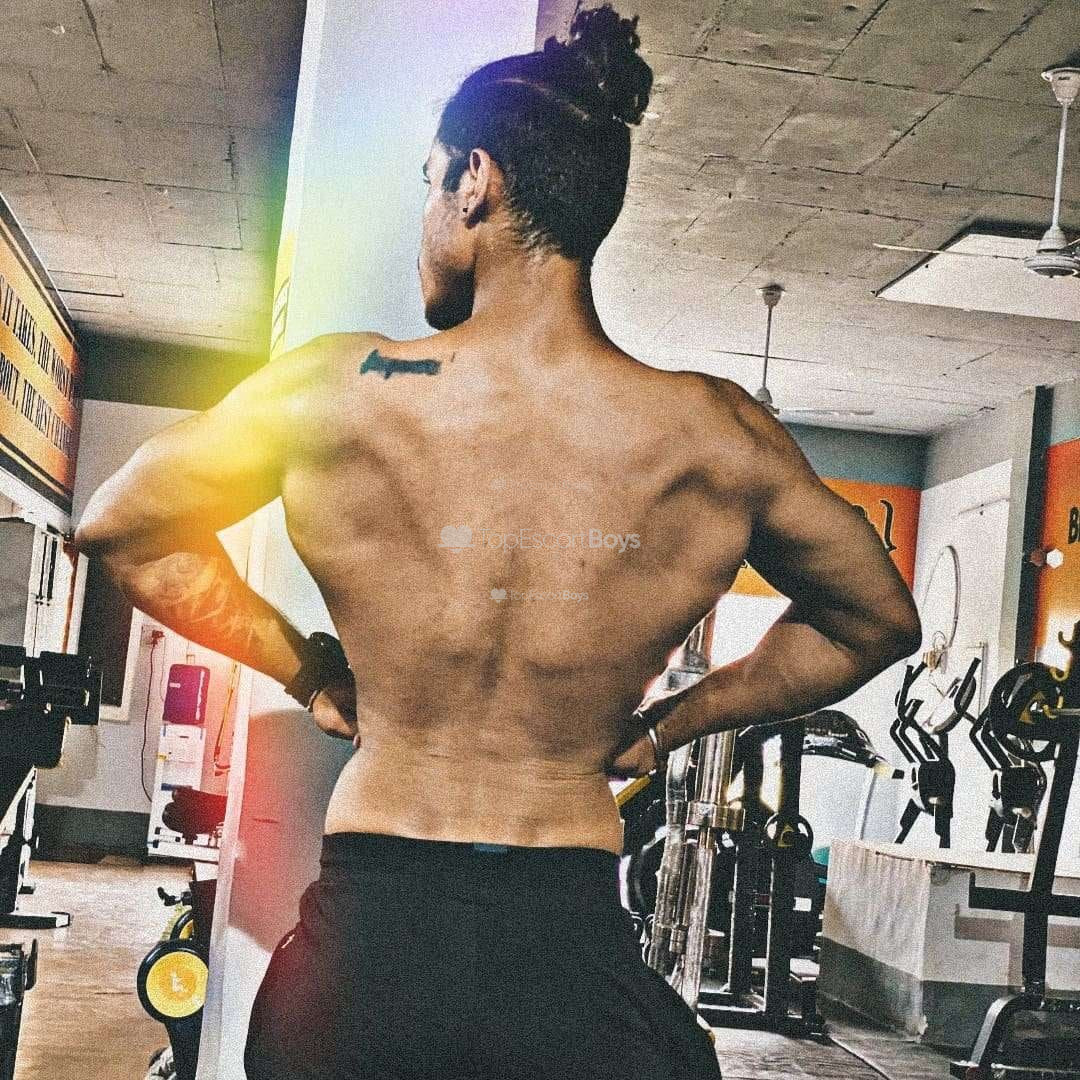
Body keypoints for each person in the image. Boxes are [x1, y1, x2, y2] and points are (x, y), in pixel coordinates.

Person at [74, 6, 921, 1078]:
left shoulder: (339, 390)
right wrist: (670, 727)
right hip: (566, 946)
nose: (427, 217)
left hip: (370, 947)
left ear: (475, 180)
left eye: (430, 184)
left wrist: (309, 670)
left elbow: (121, 526)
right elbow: (875, 620)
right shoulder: (714, 434)